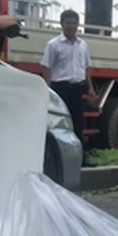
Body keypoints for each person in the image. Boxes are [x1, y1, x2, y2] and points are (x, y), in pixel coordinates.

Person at [39, 10, 96, 142]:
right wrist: (48, 89)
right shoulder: (54, 44)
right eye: (68, 23)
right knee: (61, 121)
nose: (71, 26)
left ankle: (81, 155)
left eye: (74, 23)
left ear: (78, 25)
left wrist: (90, 87)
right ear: (62, 24)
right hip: (61, 88)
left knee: (78, 122)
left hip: (78, 89)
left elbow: (86, 67)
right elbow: (46, 67)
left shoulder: (82, 45)